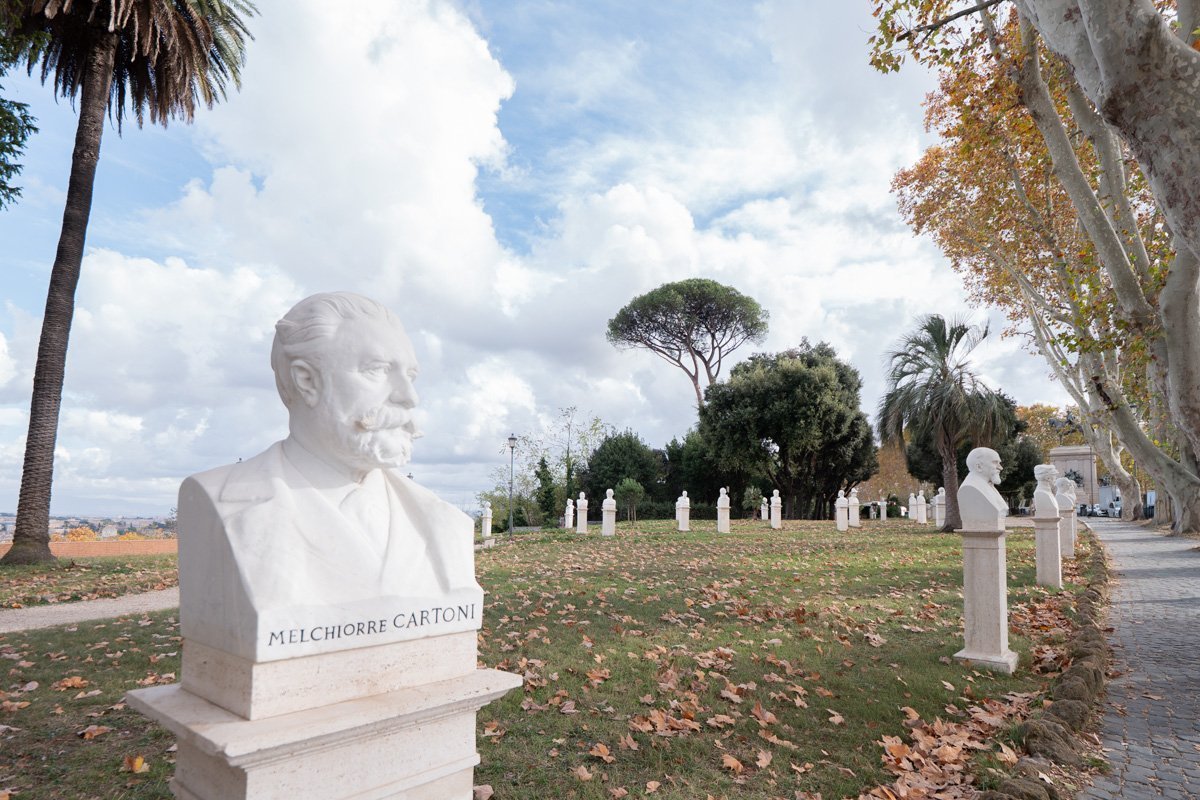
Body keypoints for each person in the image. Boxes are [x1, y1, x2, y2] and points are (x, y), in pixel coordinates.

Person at [178, 292, 476, 615]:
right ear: (307, 380)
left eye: (411, 376)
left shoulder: (444, 523)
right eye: (377, 370)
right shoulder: (218, 500)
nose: (409, 396)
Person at [957, 447, 1007, 531]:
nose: (1000, 467)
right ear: (979, 466)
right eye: (995, 462)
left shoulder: (989, 486)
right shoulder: (970, 488)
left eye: (999, 463)